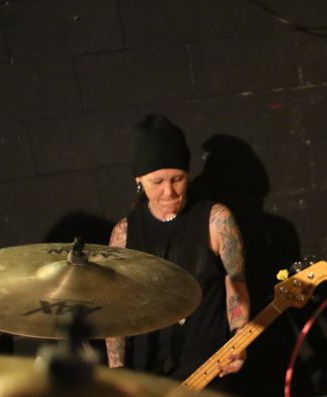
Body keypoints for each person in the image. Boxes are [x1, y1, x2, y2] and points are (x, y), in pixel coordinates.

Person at [106, 114, 249, 383]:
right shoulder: (124, 233)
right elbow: (118, 309)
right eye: (157, 182)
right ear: (139, 180)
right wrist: (117, 370)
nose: (169, 192)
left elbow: (236, 285)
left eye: (177, 179)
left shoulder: (216, 220)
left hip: (209, 367)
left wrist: (239, 342)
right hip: (149, 373)